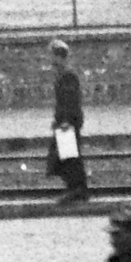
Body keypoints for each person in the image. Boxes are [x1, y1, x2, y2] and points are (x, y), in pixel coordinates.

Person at [44, 38, 88, 204]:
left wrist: (65, 121)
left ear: (58, 56)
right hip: (64, 120)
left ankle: (76, 190)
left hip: (67, 121)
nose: (50, 59)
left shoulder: (68, 75)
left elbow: (70, 101)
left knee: (69, 157)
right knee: (66, 156)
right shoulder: (64, 74)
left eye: (51, 55)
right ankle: (76, 189)